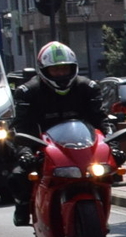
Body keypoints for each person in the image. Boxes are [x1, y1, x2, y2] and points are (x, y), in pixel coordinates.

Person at [10, 42, 105, 226]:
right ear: (44, 71)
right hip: (42, 148)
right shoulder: (28, 92)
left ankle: (101, 213)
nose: (61, 74)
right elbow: (20, 126)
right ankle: (22, 206)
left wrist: (113, 146)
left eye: (65, 69)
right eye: (55, 70)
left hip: (83, 148)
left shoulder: (88, 87)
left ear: (73, 68)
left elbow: (101, 119)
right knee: (19, 175)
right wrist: (25, 152)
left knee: (109, 172)